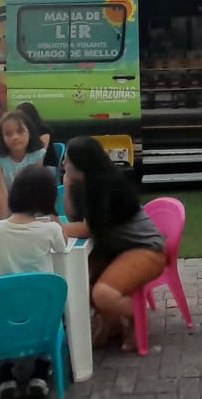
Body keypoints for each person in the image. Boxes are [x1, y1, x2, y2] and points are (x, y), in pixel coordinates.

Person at [60, 136, 166, 351]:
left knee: (103, 294)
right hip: (115, 249)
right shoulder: (86, 183)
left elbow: (86, 229)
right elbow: (74, 219)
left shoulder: (104, 185)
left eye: (67, 161)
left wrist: (49, 228)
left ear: (83, 164)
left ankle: (136, 316)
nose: (63, 163)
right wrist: (68, 185)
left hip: (145, 249)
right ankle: (113, 323)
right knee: (77, 284)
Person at [0, 165, 66, 399]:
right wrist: (54, 213)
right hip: (42, 319)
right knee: (57, 314)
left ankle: (6, 376)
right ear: (47, 199)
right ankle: (40, 370)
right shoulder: (50, 230)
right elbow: (62, 247)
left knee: (5, 307)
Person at [0, 110, 48, 220]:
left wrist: (30, 219)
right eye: (8, 134)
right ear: (2, 137)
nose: (15, 137)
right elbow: (0, 191)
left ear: (29, 132)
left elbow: (34, 189)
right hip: (3, 209)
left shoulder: (37, 155)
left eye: (20, 131)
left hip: (30, 209)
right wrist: (4, 223)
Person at [14, 101, 57, 169]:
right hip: (27, 165)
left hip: (46, 165)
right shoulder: (21, 131)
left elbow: (41, 154)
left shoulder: (43, 130)